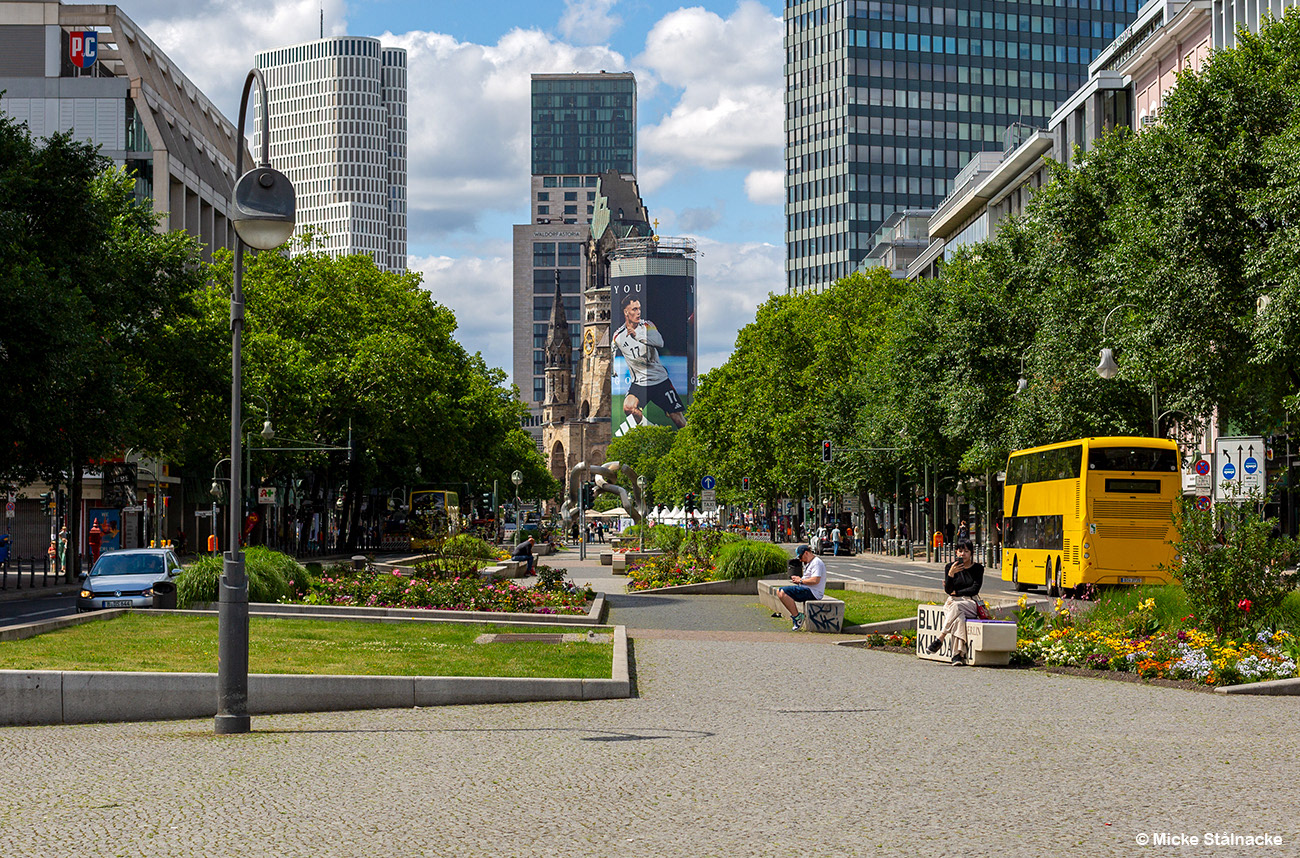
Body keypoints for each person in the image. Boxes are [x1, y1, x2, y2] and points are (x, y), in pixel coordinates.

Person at [611, 294, 687, 430]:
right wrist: (613, 369)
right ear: (626, 312)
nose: (638, 312)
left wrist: (638, 336)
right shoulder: (618, 336)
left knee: (678, 420)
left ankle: (692, 443)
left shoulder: (647, 326)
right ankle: (653, 430)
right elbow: (610, 350)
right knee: (628, 408)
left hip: (660, 381)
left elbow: (660, 342)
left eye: (639, 308)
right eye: (634, 309)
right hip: (639, 383)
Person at [925, 537, 984, 665]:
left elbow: (974, 589)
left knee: (957, 607)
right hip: (952, 602)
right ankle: (957, 656)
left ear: (971, 553)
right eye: (960, 551)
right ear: (956, 552)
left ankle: (940, 638)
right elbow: (948, 590)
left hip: (970, 602)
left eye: (966, 551)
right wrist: (951, 575)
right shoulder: (950, 567)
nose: (963, 554)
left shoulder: (978, 568)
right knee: (959, 619)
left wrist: (957, 593)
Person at [777, 544, 826, 631]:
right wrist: (799, 580)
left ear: (806, 553)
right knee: (780, 591)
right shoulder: (810, 563)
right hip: (807, 589)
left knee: (782, 592)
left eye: (800, 557)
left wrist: (800, 581)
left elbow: (815, 580)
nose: (800, 560)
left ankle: (797, 617)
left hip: (813, 592)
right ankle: (796, 616)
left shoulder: (816, 563)